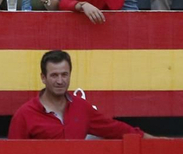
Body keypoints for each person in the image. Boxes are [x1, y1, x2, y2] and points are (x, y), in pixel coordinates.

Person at [8, 49, 145, 139]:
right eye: (54, 75)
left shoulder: (82, 107)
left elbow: (116, 129)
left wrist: (151, 140)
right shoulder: (24, 115)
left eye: (64, 75)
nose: (60, 81)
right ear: (43, 78)